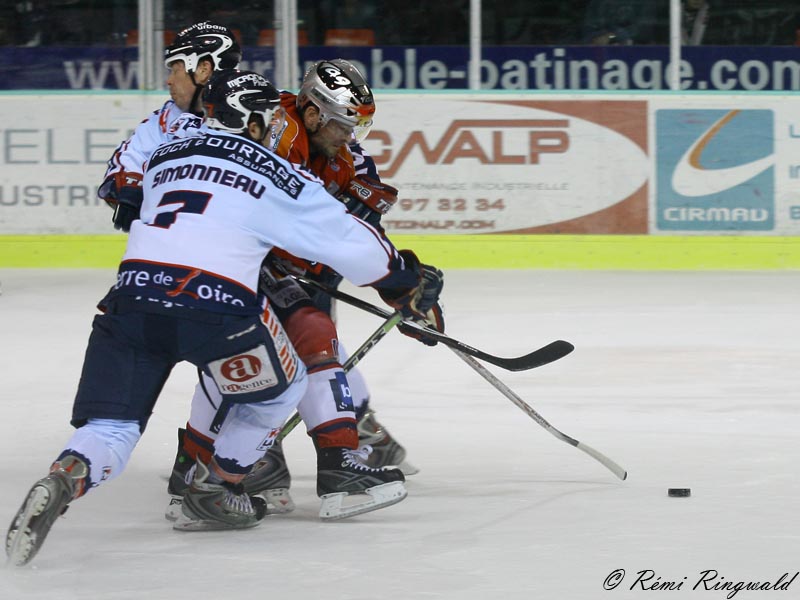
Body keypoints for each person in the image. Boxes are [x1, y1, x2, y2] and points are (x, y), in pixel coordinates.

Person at [6, 68, 444, 567]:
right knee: (283, 383)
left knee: (111, 429)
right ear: (258, 124)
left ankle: (66, 474)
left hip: (129, 300)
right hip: (215, 305)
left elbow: (161, 205)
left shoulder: (168, 153)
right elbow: (352, 246)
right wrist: (407, 280)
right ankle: (221, 482)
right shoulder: (274, 168)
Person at [165, 58, 444, 520]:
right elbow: (298, 224)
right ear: (313, 114)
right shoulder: (275, 136)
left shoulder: (339, 150)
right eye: (342, 126)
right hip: (232, 267)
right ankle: (222, 468)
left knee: (311, 343)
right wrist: (398, 283)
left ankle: (328, 463)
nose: (350, 136)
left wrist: (404, 287)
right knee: (251, 367)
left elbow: (357, 218)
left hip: (274, 268)